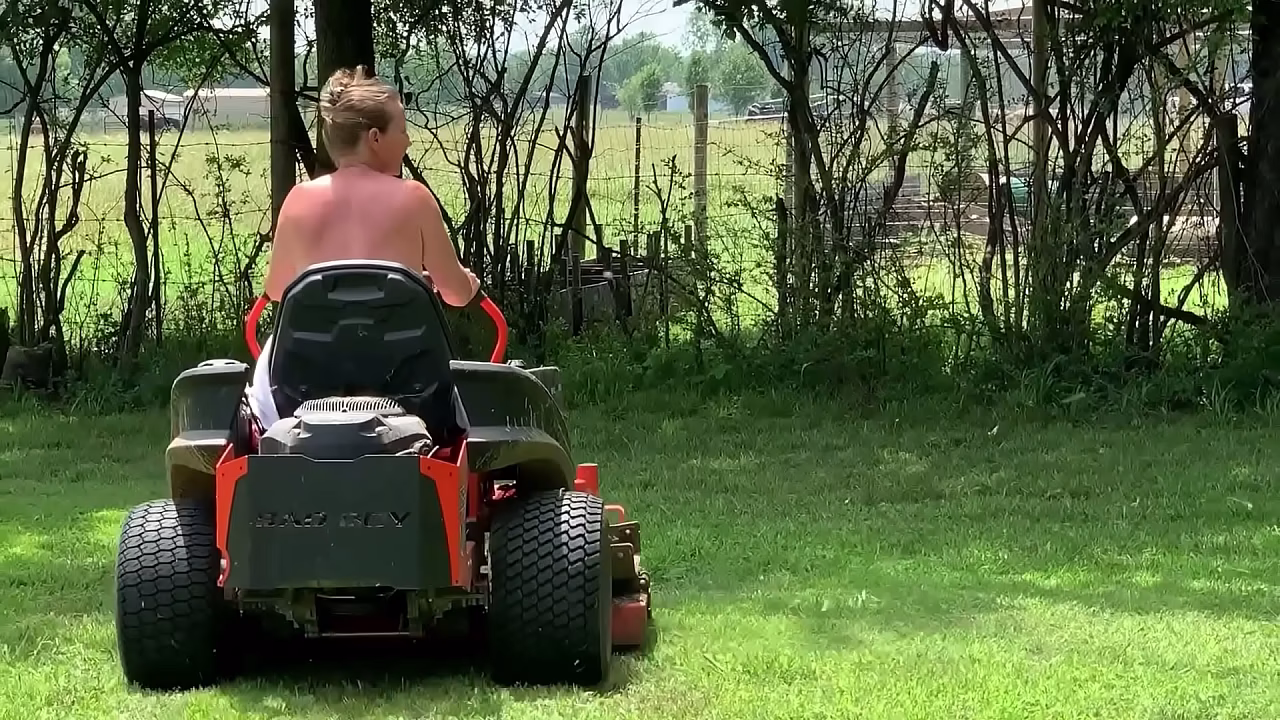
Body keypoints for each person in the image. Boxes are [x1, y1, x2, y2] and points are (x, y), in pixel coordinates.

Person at [246, 65, 479, 428]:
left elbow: (276, 291)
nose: (408, 141)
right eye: (401, 131)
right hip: (409, 389)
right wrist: (465, 280)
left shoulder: (297, 200)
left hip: (306, 389)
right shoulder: (413, 199)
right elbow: (457, 294)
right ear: (375, 137)